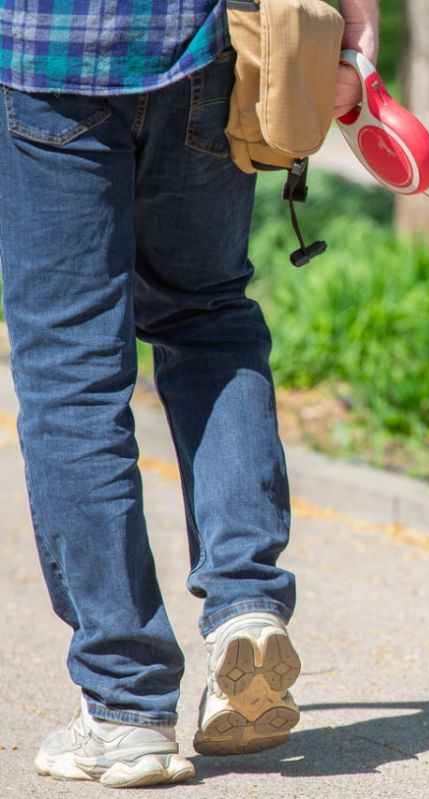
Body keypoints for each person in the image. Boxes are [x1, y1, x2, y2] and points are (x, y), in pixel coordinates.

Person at [0, 0, 379, 787]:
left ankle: (125, 706)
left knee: (71, 371)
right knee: (207, 319)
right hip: (202, 53)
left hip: (45, 58)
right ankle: (246, 603)